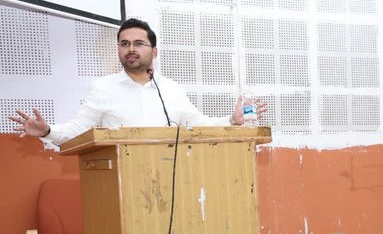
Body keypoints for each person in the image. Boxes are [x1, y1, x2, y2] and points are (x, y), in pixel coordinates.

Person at [9, 18, 267, 147]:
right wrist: (47, 131)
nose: (130, 49)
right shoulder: (103, 88)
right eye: (124, 44)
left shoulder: (171, 89)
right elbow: (77, 130)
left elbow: (198, 125)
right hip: (121, 182)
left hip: (171, 180)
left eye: (138, 43)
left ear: (154, 51)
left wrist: (232, 121)